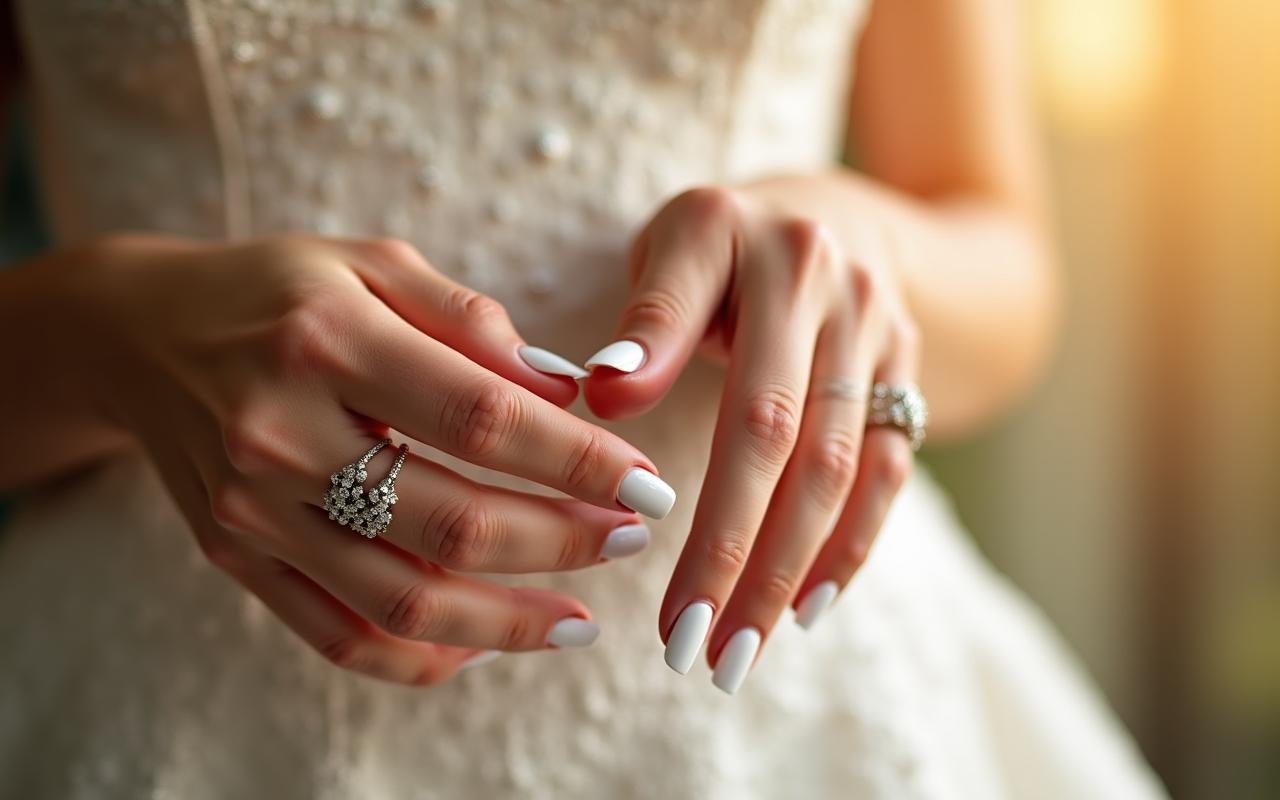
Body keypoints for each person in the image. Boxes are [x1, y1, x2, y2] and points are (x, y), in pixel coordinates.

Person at [0, 1, 1167, 797]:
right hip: (178, 670)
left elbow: (1000, 255)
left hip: (779, 703)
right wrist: (109, 330)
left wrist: (852, 244)